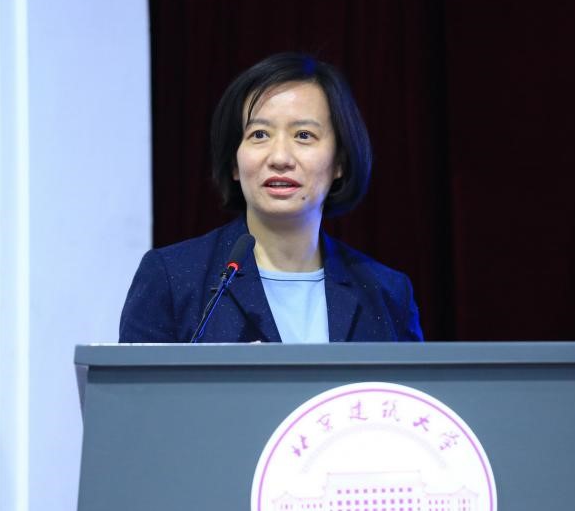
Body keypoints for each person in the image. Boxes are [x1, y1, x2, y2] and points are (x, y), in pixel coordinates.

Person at [119, 52, 423, 343]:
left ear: (339, 162)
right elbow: (138, 382)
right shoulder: (172, 279)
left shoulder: (387, 293)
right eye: (259, 135)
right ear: (234, 162)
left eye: (303, 135)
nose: (280, 158)